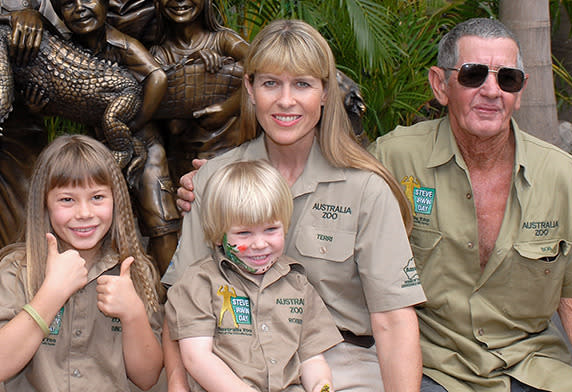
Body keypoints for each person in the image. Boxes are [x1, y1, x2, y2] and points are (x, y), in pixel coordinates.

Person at [164, 19, 427, 392]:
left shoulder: (366, 188)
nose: (285, 100)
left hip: (339, 363)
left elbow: (394, 320)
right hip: (230, 365)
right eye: (271, 83)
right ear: (251, 89)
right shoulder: (215, 180)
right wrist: (177, 384)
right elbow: (180, 302)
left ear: (324, 92)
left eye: (302, 84)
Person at [368, 18, 572, 392]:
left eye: (507, 78)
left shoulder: (567, 181)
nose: (492, 91)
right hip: (432, 369)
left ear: (521, 90)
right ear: (440, 85)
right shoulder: (393, 160)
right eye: (473, 75)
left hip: (534, 370)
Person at [0, 134, 164, 391]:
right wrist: (52, 293)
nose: (84, 213)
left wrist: (133, 314)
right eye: (67, 199)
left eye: (97, 197)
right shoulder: (17, 270)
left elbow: (147, 377)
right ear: (45, 204)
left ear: (116, 201)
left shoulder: (134, 272)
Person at [165, 159, 342, 392]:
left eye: (271, 229)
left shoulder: (297, 284)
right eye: (244, 233)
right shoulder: (199, 283)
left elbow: (311, 358)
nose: (260, 244)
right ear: (219, 235)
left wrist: (321, 386)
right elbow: (197, 359)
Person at [47, 0, 180, 274]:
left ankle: (174, 296)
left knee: (160, 219)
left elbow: (157, 77)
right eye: (68, 5)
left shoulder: (120, 43)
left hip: (144, 145)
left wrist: (133, 122)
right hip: (99, 150)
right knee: (108, 224)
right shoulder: (64, 51)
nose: (80, 10)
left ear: (105, 3)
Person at [149, 0, 249, 179]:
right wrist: (187, 67)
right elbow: (174, 127)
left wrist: (227, 108)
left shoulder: (223, 40)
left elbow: (265, 68)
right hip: (185, 168)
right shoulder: (159, 56)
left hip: (234, 161)